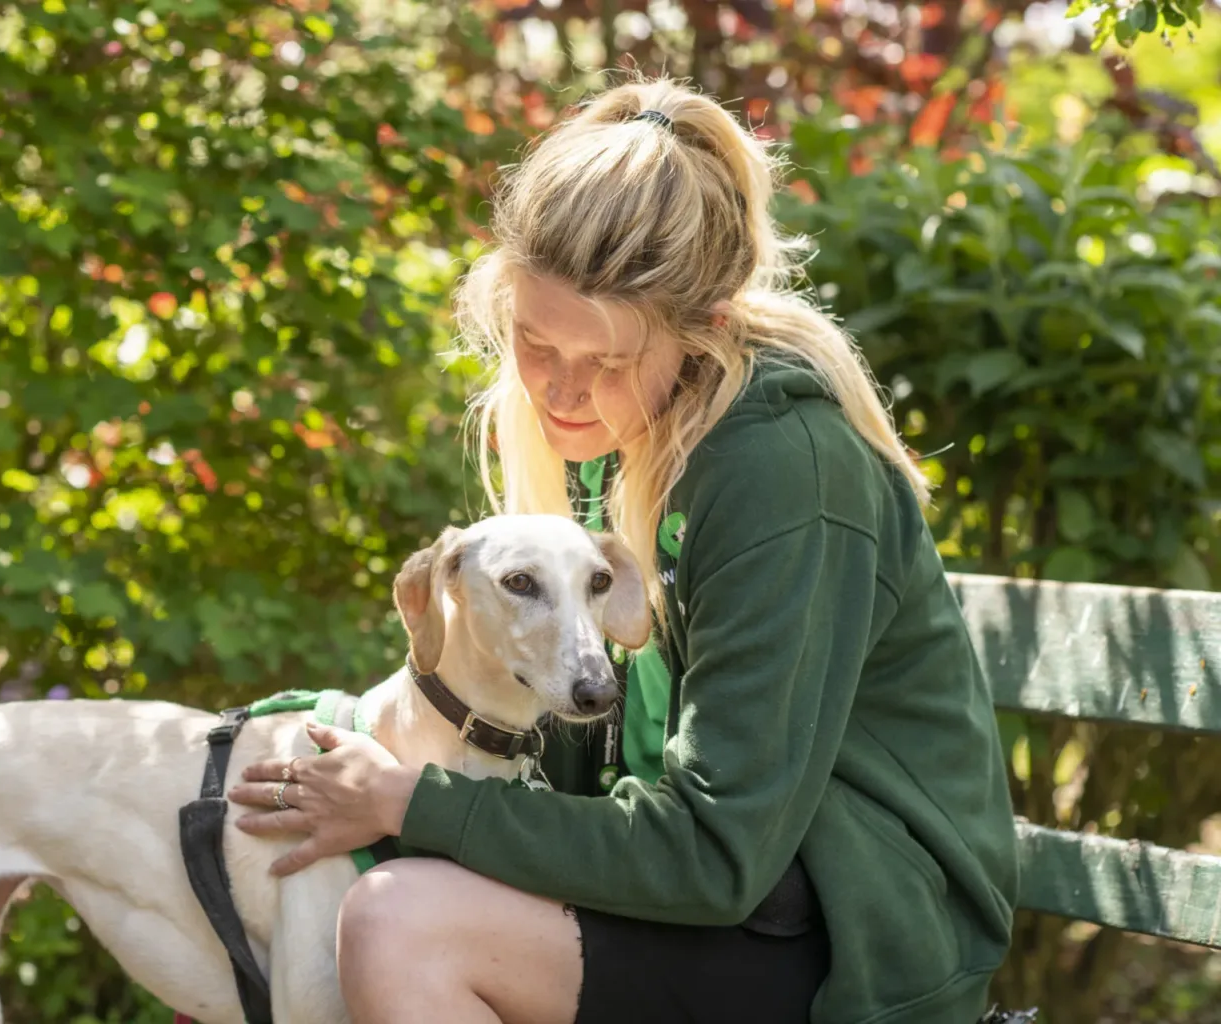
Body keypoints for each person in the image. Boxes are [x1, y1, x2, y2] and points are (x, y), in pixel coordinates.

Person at [227, 75, 1019, 1024]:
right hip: (717, 898)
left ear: (707, 328)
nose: (559, 390)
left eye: (603, 360)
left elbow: (719, 853)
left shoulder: (786, 478)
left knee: (403, 922)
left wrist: (415, 805)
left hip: (857, 940)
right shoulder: (611, 441)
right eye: (531, 340)